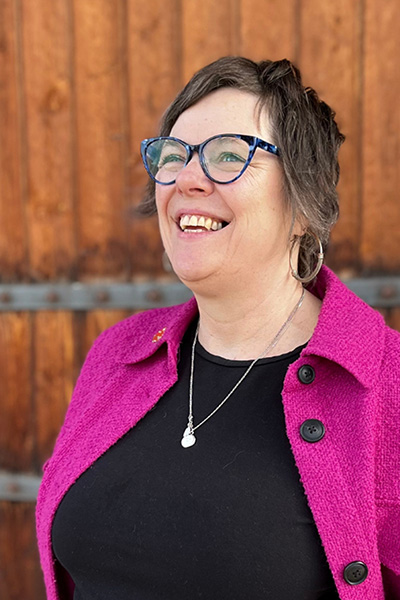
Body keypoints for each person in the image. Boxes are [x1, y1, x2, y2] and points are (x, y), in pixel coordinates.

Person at [36, 57, 400, 600]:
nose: (186, 179)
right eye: (173, 156)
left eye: (229, 155)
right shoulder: (118, 353)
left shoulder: (387, 382)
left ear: (304, 202)